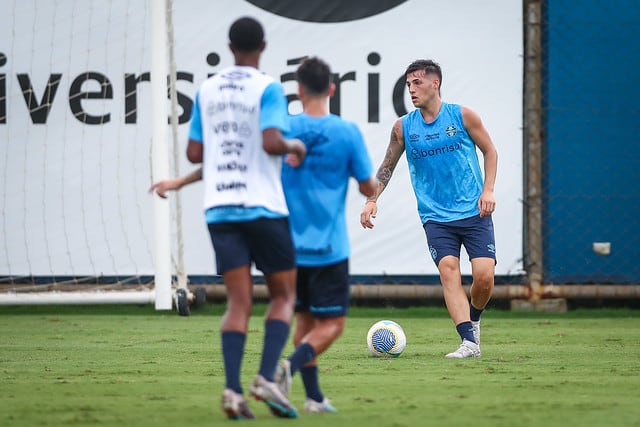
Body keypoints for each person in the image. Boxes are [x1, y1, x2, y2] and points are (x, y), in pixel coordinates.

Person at [151, 16, 306, 420]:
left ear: (230, 46)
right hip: (263, 208)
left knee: (238, 303)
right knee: (284, 296)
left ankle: (233, 391)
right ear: (263, 46)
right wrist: (294, 145)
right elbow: (272, 142)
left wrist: (178, 182)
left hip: (219, 208)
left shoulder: (207, 90)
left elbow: (198, 154)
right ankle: (266, 378)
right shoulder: (269, 87)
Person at [360, 59, 498, 359]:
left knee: (484, 278)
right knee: (449, 271)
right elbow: (387, 167)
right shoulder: (403, 127)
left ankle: (474, 320)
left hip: (475, 211)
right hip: (435, 217)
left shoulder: (462, 116)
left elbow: (490, 150)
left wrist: (488, 190)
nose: (411, 89)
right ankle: (468, 343)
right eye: (409, 84)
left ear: (435, 84)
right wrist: (372, 199)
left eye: (417, 83)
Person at [275, 57, 376, 413]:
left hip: (288, 246)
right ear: (332, 89)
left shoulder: (283, 130)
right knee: (332, 324)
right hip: (329, 247)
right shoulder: (346, 132)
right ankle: (288, 366)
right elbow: (368, 185)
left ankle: (314, 398)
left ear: (298, 90)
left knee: (304, 321)